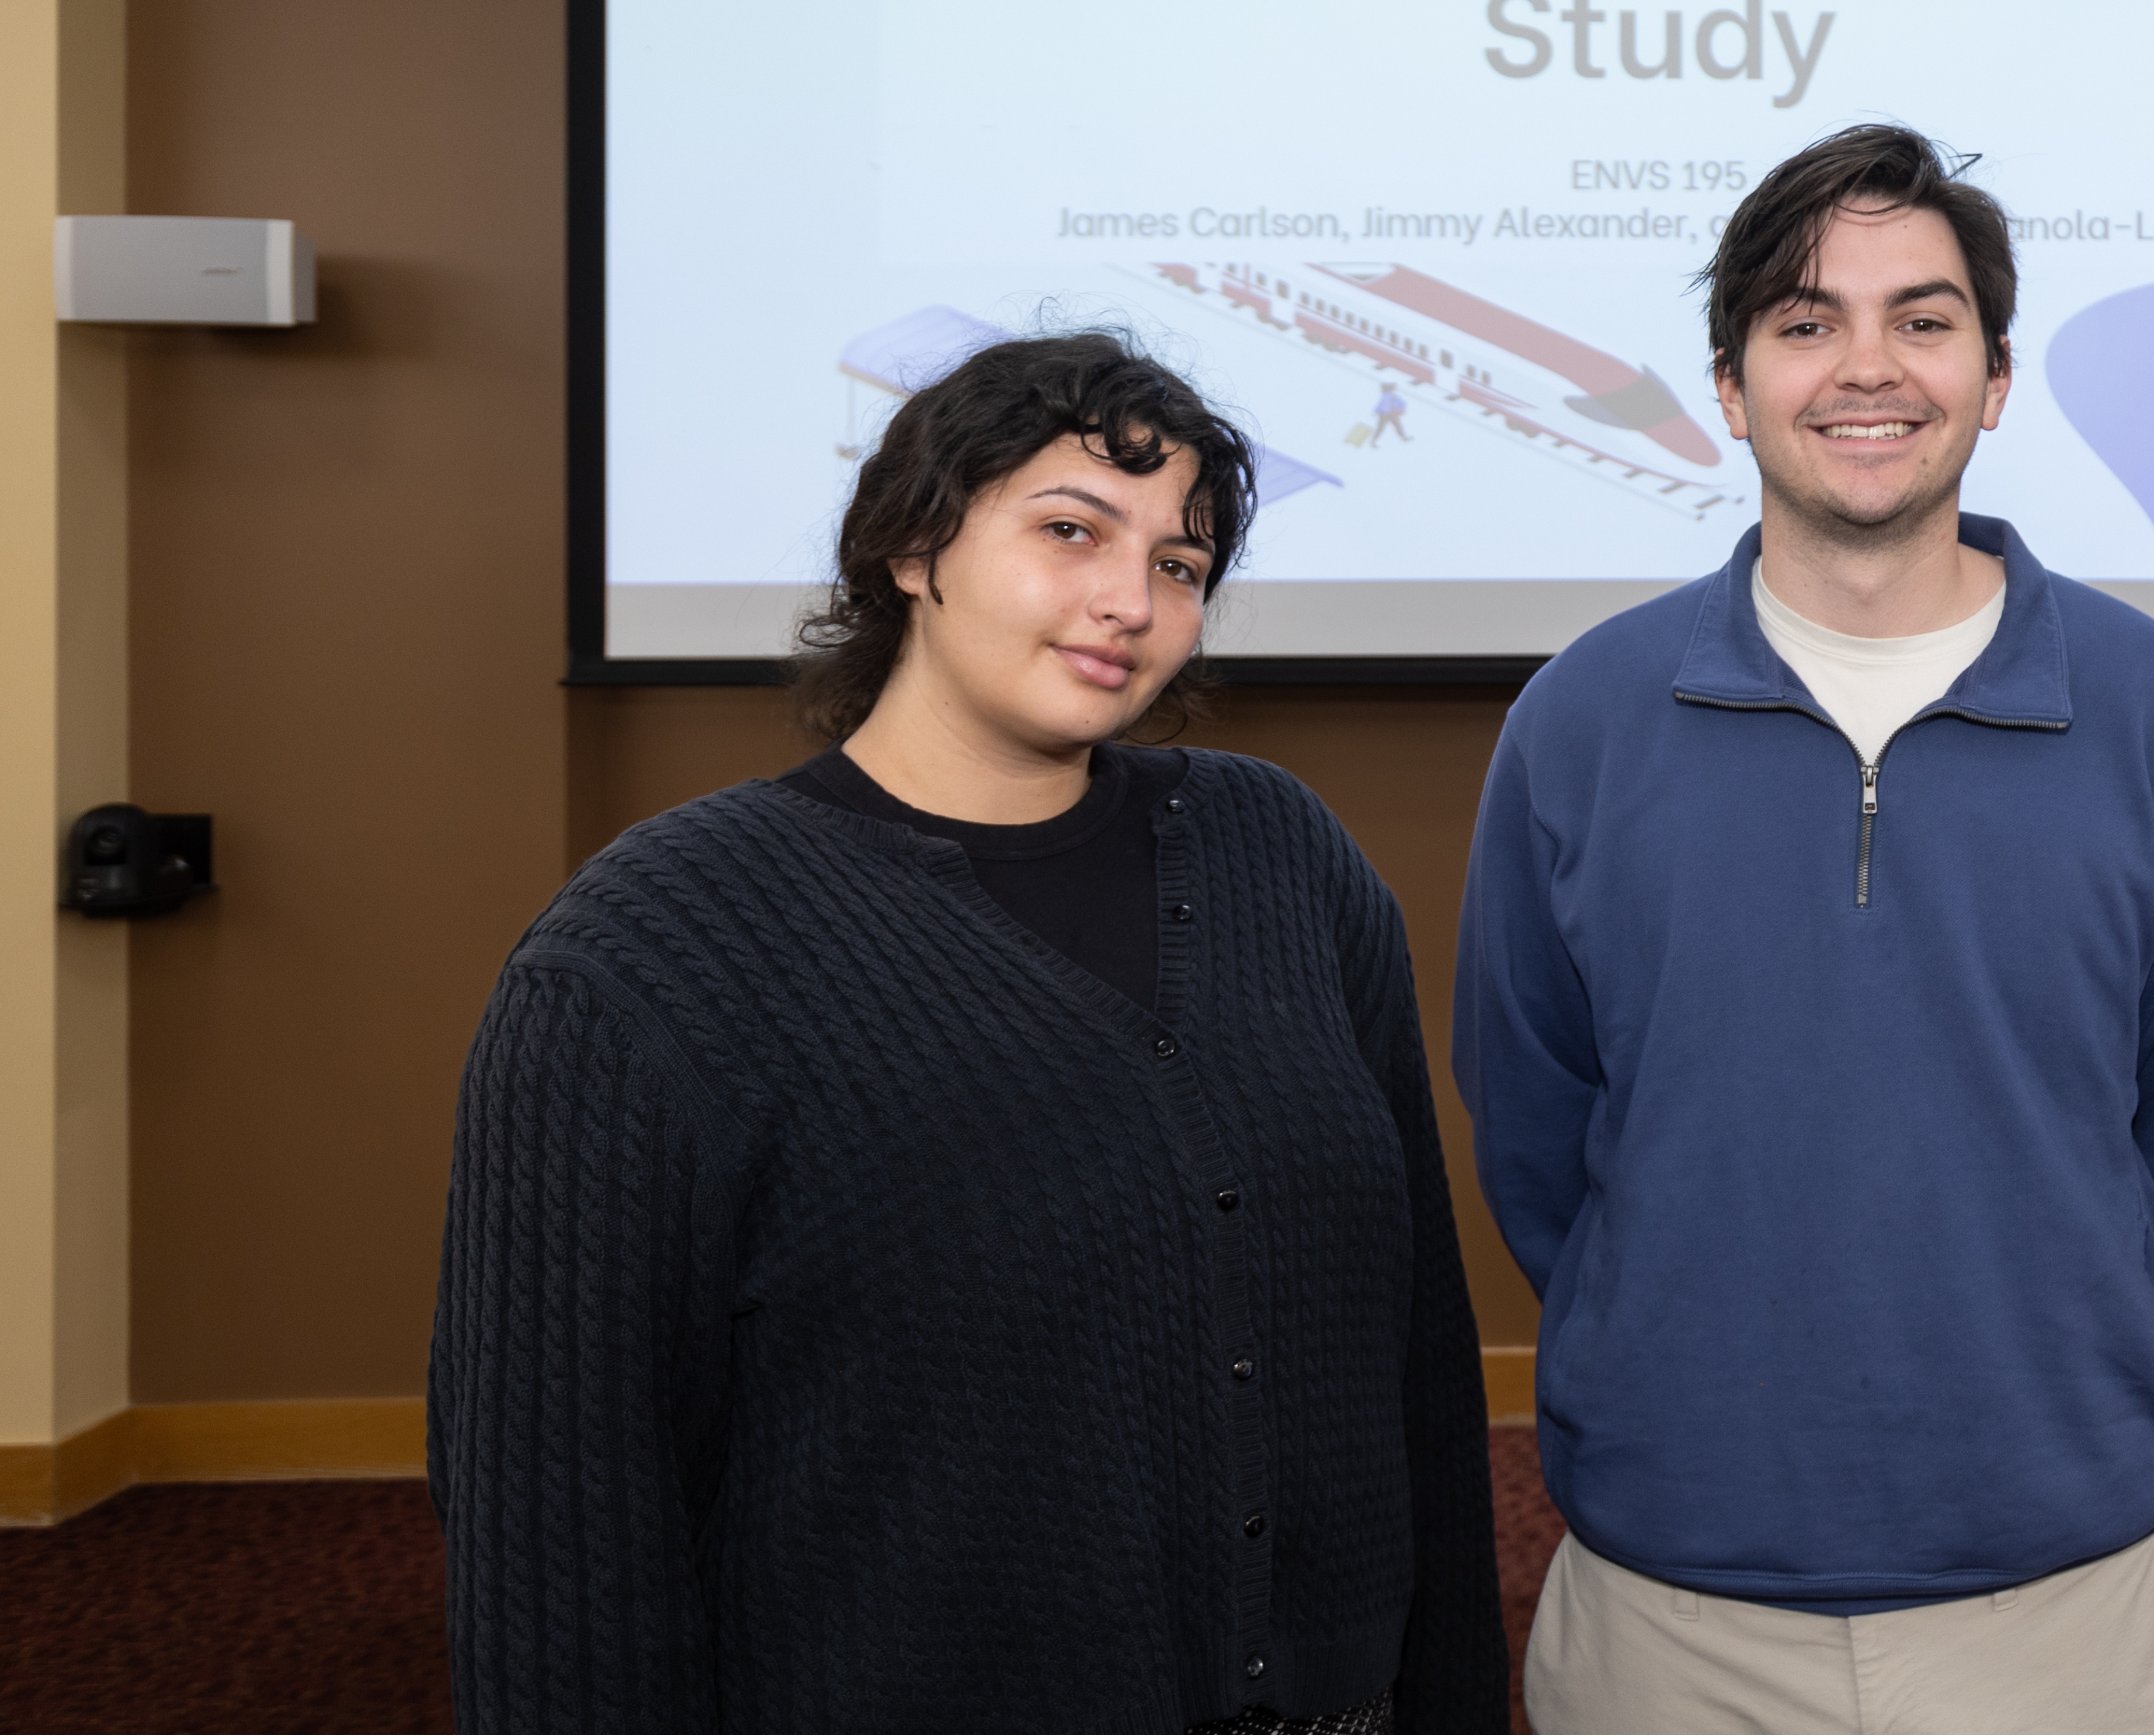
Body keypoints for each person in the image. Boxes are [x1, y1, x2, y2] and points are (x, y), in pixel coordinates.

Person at [428, 332, 1507, 1732]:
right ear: (913, 547)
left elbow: (1414, 1345)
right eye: (1071, 530)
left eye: (1179, 566)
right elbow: (560, 1513)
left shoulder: (1281, 853)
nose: (1130, 599)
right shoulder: (652, 950)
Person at [1457, 125, 2154, 1735]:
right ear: (1728, 380)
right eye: (1804, 319)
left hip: (2067, 1596)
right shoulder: (1585, 720)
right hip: (1669, 1604)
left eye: (1923, 319)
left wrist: (2030, 1321)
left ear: (1995, 377)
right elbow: (1536, 1138)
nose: (1867, 368)